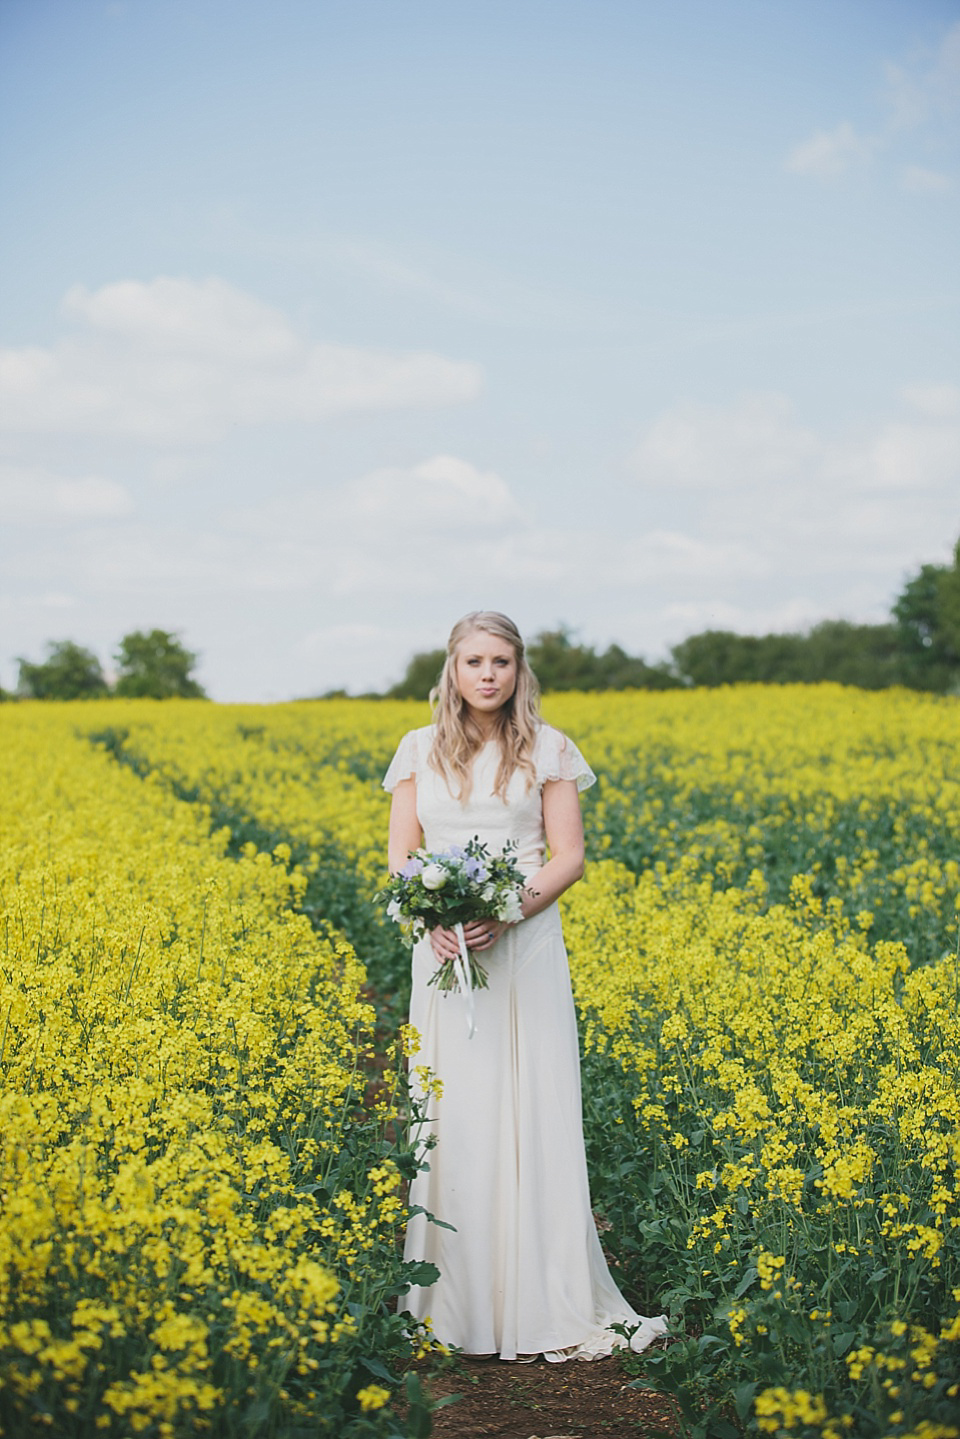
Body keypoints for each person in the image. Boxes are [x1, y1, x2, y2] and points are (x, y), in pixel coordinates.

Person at [383, 611, 667, 1363]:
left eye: (501, 661)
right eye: (473, 660)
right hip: (443, 954)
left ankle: (542, 1297)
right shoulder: (416, 748)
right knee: (457, 1112)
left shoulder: (549, 747)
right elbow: (402, 856)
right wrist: (432, 920)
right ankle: (454, 1305)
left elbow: (568, 855)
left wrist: (506, 913)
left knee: (531, 1107)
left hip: (525, 947)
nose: (487, 674)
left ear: (519, 670)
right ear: (452, 667)